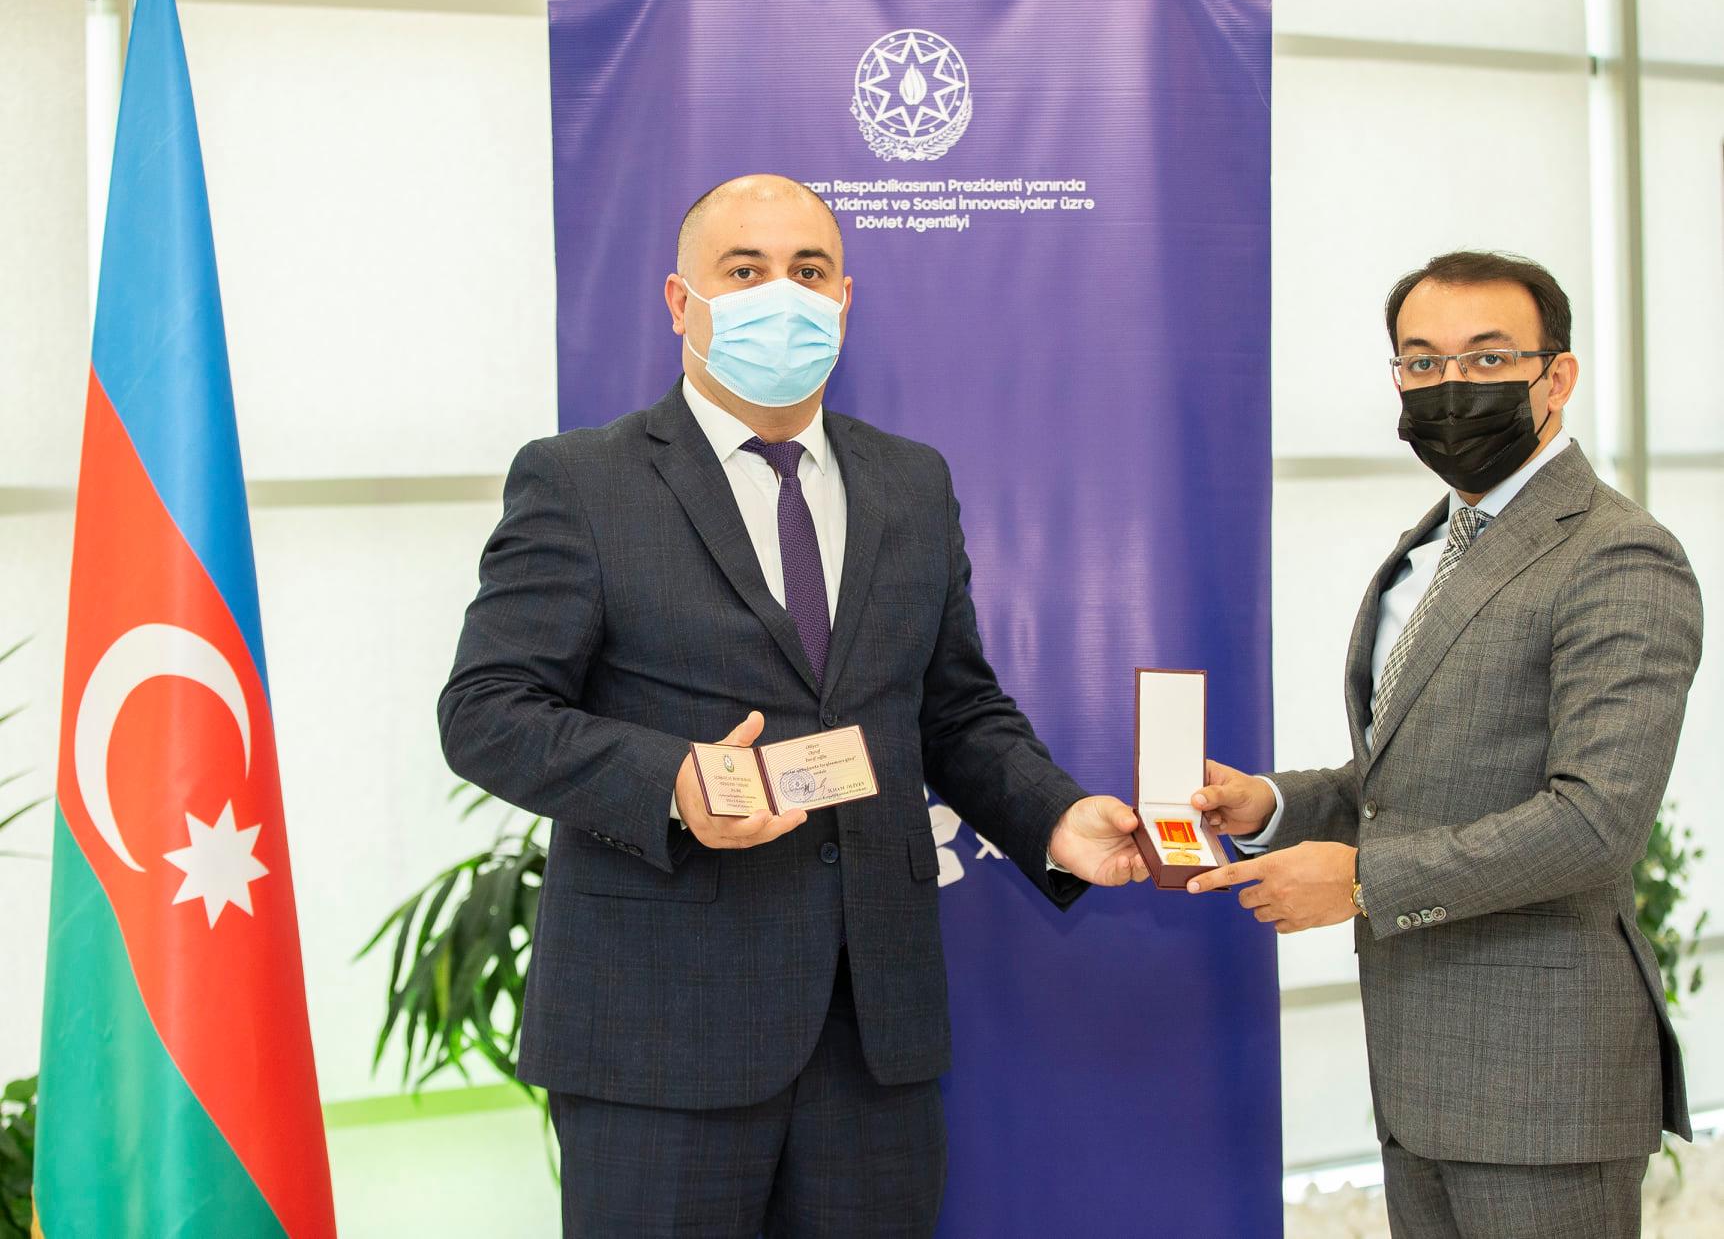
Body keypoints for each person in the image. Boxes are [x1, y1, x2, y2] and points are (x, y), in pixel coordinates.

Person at [438, 173, 1147, 1237]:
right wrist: (672, 781)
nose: (784, 294)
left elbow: (953, 711)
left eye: (809, 271)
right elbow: (486, 709)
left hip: (873, 1034)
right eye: (746, 270)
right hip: (659, 1035)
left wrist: (1053, 817)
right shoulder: (580, 480)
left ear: (844, 300)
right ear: (680, 302)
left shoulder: (910, 482)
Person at [1187, 251, 1703, 1238]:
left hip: (1543, 1088)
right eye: (1421, 363)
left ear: (1556, 376)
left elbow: (1594, 823)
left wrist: (1357, 881)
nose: (1450, 386)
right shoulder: (1431, 546)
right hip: (1417, 1075)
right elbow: (1406, 777)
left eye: (1486, 358)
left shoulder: (1619, 554)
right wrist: (1273, 804)